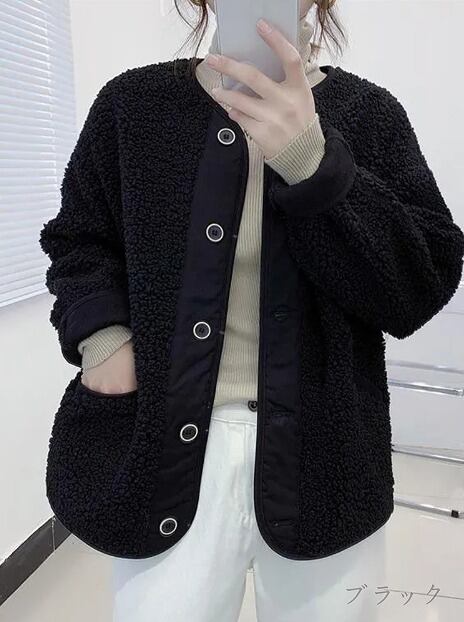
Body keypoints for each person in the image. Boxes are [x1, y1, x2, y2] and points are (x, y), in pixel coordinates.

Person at [38, 1, 464, 620]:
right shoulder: (133, 106)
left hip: (325, 459)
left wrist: (313, 163)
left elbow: (419, 283)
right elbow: (78, 239)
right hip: (160, 443)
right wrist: (103, 340)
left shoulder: (369, 115)